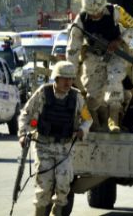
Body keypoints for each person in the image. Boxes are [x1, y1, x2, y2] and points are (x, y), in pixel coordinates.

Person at [18, 61, 92, 216]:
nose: (68, 82)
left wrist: (82, 130)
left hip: (64, 149)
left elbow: (87, 119)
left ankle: (57, 211)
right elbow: (26, 114)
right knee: (43, 187)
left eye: (71, 79)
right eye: (64, 78)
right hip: (44, 147)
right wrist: (23, 134)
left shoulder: (76, 97)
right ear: (56, 79)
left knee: (64, 186)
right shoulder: (43, 93)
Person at [66, 0, 133, 133]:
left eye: (97, 12)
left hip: (115, 54)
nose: (95, 16)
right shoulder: (80, 20)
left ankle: (114, 119)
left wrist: (119, 40)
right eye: (92, 14)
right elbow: (73, 48)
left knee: (115, 80)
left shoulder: (115, 11)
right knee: (93, 92)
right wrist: (70, 72)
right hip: (93, 56)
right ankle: (95, 122)